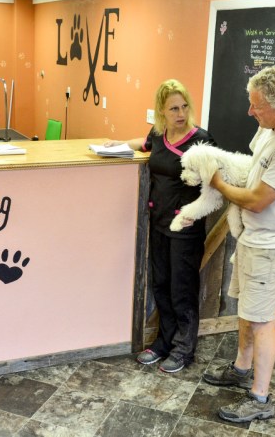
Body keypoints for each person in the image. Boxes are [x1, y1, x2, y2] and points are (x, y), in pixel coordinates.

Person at [195, 65, 275, 422]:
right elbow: (252, 168)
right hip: (253, 238)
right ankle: (240, 368)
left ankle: (260, 400)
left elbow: (256, 199)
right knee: (248, 313)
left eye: (256, 106)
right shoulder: (270, 127)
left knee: (263, 321)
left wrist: (217, 182)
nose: (250, 112)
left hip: (273, 246)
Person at [107, 79, 216, 373]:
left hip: (185, 228)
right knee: (162, 285)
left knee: (182, 288)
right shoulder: (159, 134)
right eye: (173, 109)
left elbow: (215, 186)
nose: (180, 114)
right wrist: (115, 145)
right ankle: (163, 342)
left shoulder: (201, 141)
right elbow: (141, 145)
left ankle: (184, 348)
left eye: (184, 107)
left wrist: (196, 212)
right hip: (159, 223)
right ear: (162, 112)